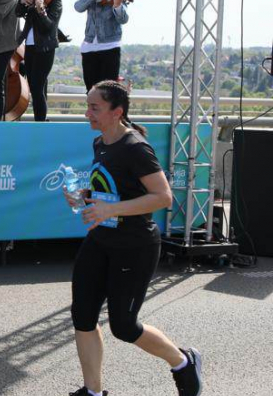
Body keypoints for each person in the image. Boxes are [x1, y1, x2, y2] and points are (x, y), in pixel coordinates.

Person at [64, 80, 202, 396]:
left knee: (124, 327)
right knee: (82, 316)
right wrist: (84, 196)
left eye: (94, 107)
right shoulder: (100, 143)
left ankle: (183, 362)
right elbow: (112, 191)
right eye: (87, 106)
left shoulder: (135, 148)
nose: (87, 113)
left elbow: (163, 197)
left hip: (135, 247)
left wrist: (108, 207)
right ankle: (94, 392)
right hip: (100, 242)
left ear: (117, 112)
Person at [16, 0, 62, 122]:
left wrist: (41, 10)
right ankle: (41, 120)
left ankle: (40, 122)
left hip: (45, 47)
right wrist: (22, 2)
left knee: (36, 87)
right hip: (30, 46)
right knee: (36, 87)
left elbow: (49, 26)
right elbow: (18, 13)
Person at [74, 0, 129, 91]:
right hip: (89, 47)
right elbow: (78, 7)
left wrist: (117, 5)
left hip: (109, 47)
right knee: (91, 90)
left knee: (107, 91)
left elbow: (123, 19)